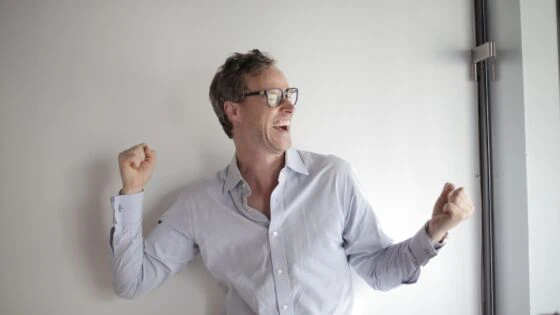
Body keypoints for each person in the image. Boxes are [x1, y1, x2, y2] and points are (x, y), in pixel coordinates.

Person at [108, 49, 475, 314]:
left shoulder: (334, 178)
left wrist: (435, 232)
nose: (290, 106)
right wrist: (132, 192)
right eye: (273, 96)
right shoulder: (199, 205)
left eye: (289, 95)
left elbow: (379, 272)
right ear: (233, 110)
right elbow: (131, 282)